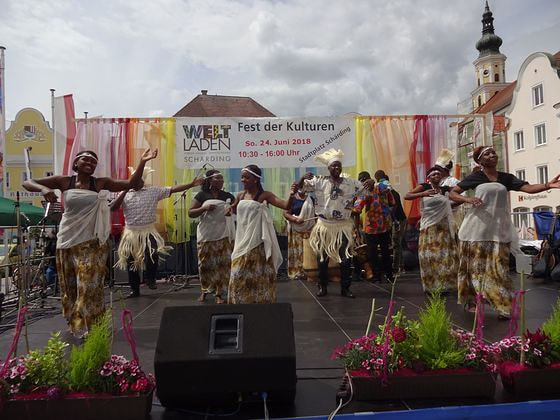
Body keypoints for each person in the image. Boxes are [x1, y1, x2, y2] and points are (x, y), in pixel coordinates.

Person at [22, 148, 157, 336]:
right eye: (86, 159)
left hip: (92, 242)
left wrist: (142, 162)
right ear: (76, 163)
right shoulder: (64, 181)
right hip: (67, 241)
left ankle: (89, 324)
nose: (90, 163)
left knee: (89, 286)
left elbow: (131, 183)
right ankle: (80, 325)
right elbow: (27, 182)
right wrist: (44, 189)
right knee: (71, 288)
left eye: (93, 162)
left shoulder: (100, 183)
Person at [449, 146, 560, 319]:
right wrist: (467, 199)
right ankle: (472, 301)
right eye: (487, 153)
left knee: (499, 268)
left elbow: (528, 188)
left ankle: (503, 305)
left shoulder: (506, 178)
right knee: (475, 268)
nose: (492, 154)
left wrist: (548, 185)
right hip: (476, 230)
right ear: (479, 160)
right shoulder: (476, 177)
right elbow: (453, 193)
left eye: (493, 152)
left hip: (498, 229)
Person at [110, 167, 203, 298]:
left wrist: (191, 184)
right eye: (133, 180)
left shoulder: (153, 191)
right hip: (131, 232)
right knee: (132, 262)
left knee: (153, 254)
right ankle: (135, 290)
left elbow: (173, 189)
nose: (136, 182)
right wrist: (125, 190)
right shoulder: (124, 193)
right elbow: (113, 207)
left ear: (143, 181)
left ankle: (151, 278)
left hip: (148, 231)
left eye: (138, 180)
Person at [296, 149, 373, 298]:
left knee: (345, 258)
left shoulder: (351, 183)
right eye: (333, 166)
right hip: (324, 226)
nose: (337, 168)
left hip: (343, 226)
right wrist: (302, 178)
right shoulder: (319, 181)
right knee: (322, 259)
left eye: (339, 165)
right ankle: (322, 287)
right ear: (328, 168)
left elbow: (367, 190)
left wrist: (371, 182)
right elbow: (301, 189)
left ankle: (345, 288)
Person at [228, 165, 296, 304]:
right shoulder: (240, 195)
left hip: (258, 241)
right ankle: (239, 303)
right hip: (242, 239)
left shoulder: (265, 195)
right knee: (237, 273)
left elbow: (286, 206)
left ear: (255, 179)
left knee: (259, 274)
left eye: (246, 177)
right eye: (242, 177)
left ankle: (261, 303)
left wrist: (291, 195)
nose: (243, 180)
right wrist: (229, 209)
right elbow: (235, 210)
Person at [405, 166, 458, 293]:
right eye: (433, 175)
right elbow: (407, 196)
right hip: (429, 227)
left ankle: (446, 285)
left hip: (443, 227)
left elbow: (457, 196)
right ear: (428, 178)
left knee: (445, 255)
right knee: (430, 255)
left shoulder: (445, 190)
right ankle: (431, 285)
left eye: (438, 174)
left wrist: (466, 200)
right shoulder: (424, 187)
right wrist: (422, 194)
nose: (436, 176)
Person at [189, 170, 235, 304]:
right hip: (206, 234)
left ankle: (218, 294)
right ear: (209, 180)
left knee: (222, 264)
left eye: (222, 178)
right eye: (217, 178)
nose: (221, 181)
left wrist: (231, 210)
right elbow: (191, 213)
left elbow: (236, 210)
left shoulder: (227, 196)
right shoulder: (202, 195)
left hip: (223, 234)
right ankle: (204, 290)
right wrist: (204, 208)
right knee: (205, 264)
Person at [353, 171, 395, 283]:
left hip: (374, 226)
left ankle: (379, 276)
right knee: (382, 252)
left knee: (376, 253)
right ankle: (387, 275)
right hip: (381, 225)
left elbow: (357, 209)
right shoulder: (380, 187)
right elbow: (392, 201)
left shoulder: (369, 190)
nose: (363, 183)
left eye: (363, 180)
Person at [283, 189, 315, 281]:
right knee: (297, 250)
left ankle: (308, 271)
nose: (303, 189)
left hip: (308, 229)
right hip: (296, 228)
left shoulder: (311, 199)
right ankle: (297, 271)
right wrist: (295, 219)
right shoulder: (292, 199)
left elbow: (315, 213)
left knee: (307, 251)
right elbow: (285, 213)